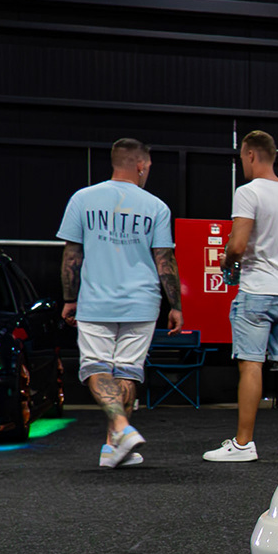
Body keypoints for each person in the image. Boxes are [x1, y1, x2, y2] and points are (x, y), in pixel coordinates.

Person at [58, 139, 181, 469]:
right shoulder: (156, 206)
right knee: (127, 371)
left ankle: (120, 431)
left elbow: (72, 256)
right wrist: (176, 305)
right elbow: (165, 260)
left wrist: (70, 298)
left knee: (97, 367)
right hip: (142, 301)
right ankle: (114, 445)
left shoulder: (82, 199)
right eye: (148, 167)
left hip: (96, 299)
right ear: (140, 165)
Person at [205, 131, 278, 462]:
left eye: (242, 158)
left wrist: (227, 259)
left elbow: (237, 245)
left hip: (257, 292)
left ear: (250, 155)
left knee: (251, 364)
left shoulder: (248, 192)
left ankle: (243, 444)